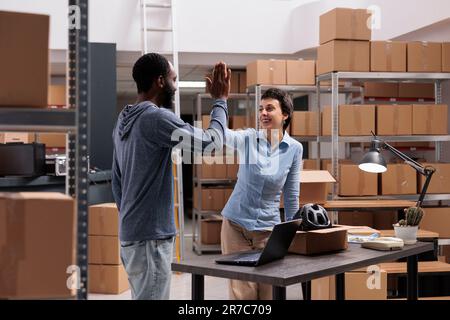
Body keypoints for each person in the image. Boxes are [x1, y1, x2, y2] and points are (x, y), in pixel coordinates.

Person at [111, 53, 230, 300]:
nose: (176, 87)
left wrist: (134, 218)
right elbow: (211, 144)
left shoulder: (123, 121)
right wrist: (220, 101)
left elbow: (117, 182)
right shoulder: (154, 118)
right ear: (160, 81)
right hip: (151, 238)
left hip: (132, 235)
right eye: (174, 80)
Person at [221, 88, 303, 300]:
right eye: (261, 109)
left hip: (269, 231)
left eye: (269, 108)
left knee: (269, 293)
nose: (263, 113)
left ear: (285, 114)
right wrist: (220, 101)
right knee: (243, 295)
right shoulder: (248, 139)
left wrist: (293, 235)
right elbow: (220, 134)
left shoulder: (294, 149)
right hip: (235, 226)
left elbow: (292, 194)